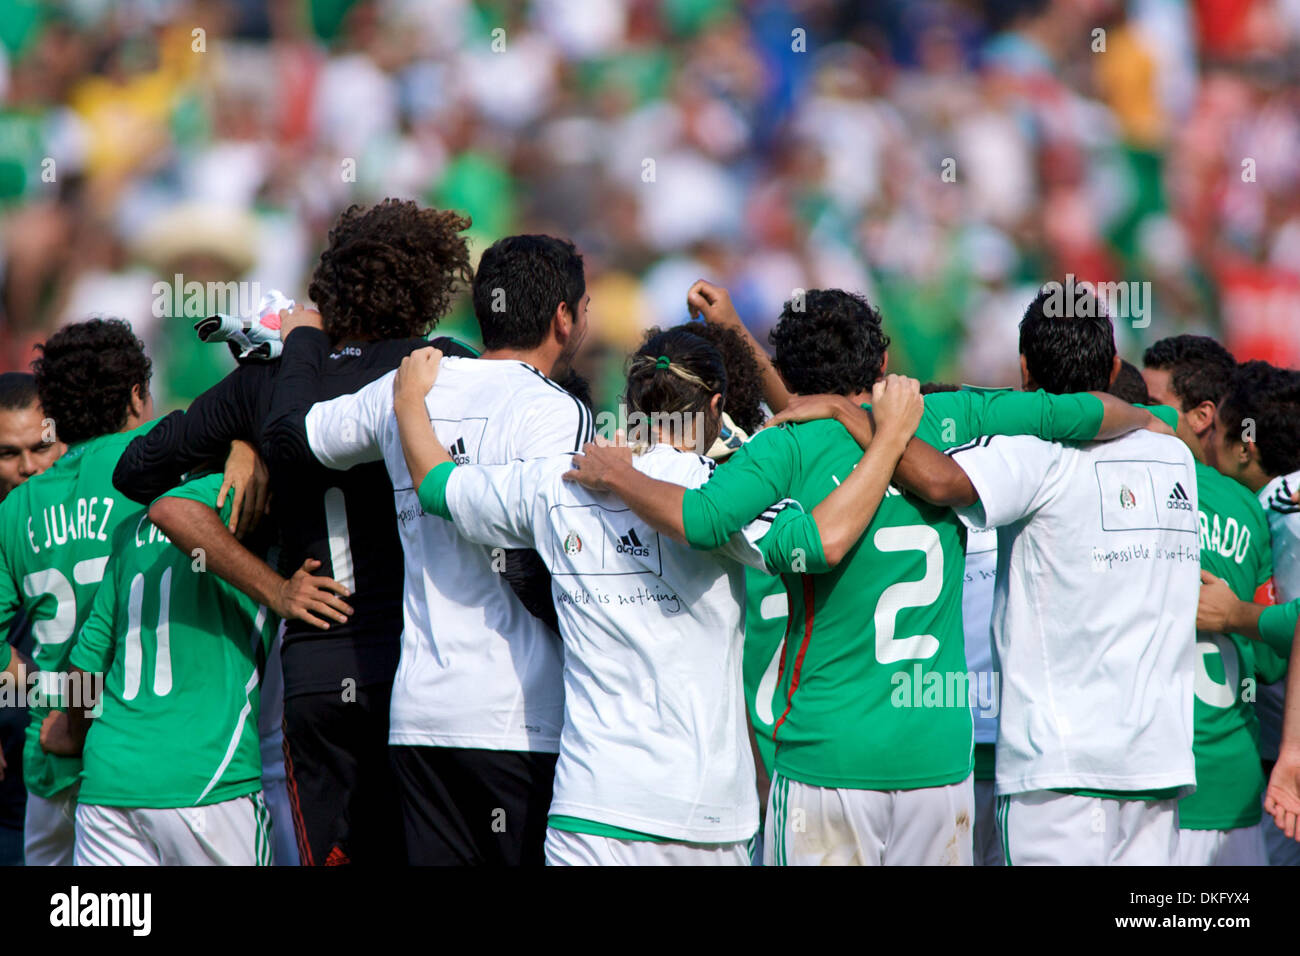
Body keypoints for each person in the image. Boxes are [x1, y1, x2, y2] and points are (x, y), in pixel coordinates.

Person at [567, 286, 1162, 866]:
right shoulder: (954, 416)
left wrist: (618, 474)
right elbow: (1092, 409)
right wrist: (1151, 421)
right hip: (938, 764)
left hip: (828, 757)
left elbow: (698, 518)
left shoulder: (782, 446)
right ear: (882, 363)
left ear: (793, 381)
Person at [392, 331, 926, 863]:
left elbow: (438, 488)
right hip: (703, 819)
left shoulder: (554, 483)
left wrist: (408, 400)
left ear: (629, 404)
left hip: (591, 809)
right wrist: (887, 442)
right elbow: (822, 543)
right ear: (716, 405)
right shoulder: (723, 494)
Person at [120, 198, 476, 866]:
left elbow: (139, 471)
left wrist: (240, 442)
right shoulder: (445, 366)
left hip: (322, 668)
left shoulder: (273, 379)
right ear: (429, 287)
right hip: (429, 666)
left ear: (331, 288)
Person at [264, 234, 593, 865]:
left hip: (420, 719)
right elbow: (548, 560)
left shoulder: (409, 387)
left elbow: (292, 438)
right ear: (563, 317)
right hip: (519, 717)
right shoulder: (554, 411)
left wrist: (303, 338)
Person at [898, 290, 1198, 865]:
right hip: (1158, 769)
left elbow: (936, 481)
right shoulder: (1175, 457)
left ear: (1024, 370)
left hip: (1057, 776)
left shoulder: (1035, 453)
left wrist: (862, 421)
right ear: (1114, 368)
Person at [39, 473, 280, 865]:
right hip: (208, 778)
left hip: (109, 786)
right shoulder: (246, 504)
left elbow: (86, 664)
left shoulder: (131, 528)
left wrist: (74, 735)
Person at [0, 319, 156, 865]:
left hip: (52, 763)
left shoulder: (15, 510)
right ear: (137, 397)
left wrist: (48, 697)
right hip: (147, 750)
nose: (22, 466)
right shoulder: (164, 471)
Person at [1142, 335, 1280, 865]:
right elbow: (1269, 661)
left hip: (1144, 788)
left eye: (1151, 404)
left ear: (1202, 415)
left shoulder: (1116, 490)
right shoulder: (1250, 509)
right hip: (1233, 783)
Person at [1207, 360, 1300, 863]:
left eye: (1216, 431)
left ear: (1246, 446)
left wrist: (1233, 615)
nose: (1204, 441)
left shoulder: (1285, 517)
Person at [0, 373, 65, 865]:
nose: (28, 468)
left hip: (88, 778)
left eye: (40, 447)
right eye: (7, 454)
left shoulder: (105, 519)